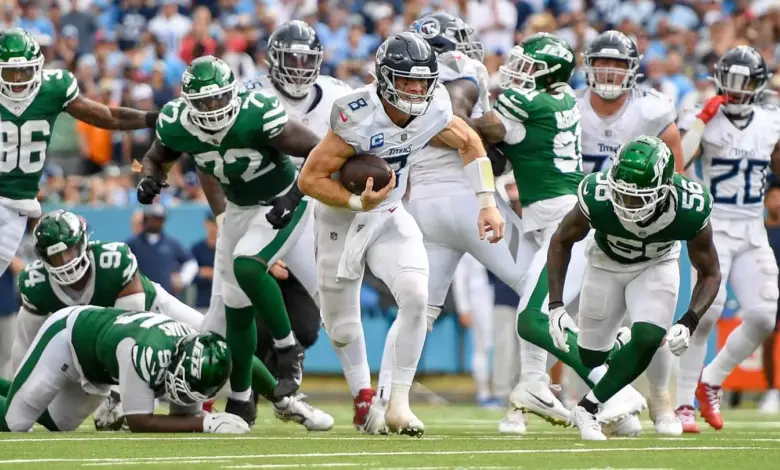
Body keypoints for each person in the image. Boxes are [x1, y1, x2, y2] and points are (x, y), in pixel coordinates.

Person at [298, 31, 505, 437]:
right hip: (340, 217)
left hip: (389, 213)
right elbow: (309, 179)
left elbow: (469, 141)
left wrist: (487, 202)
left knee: (415, 294)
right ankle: (362, 396)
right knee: (340, 327)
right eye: (406, 80)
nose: (415, 89)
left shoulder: (435, 106)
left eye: (422, 81)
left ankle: (398, 404)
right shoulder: (356, 113)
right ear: (384, 78)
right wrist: (356, 201)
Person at [136, 55, 331, 430]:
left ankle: (288, 349)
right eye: (203, 101)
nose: (212, 107)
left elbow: (319, 151)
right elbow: (157, 157)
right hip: (239, 210)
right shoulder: (177, 122)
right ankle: (241, 400)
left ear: (233, 93)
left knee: (247, 265)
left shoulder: (256, 112)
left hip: (280, 201)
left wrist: (292, 197)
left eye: (218, 98)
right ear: (188, 102)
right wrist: (150, 177)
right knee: (236, 309)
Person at [474, 32, 645, 433]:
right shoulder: (563, 96)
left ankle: (613, 387)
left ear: (548, 74)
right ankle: (535, 385)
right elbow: (513, 146)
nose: (519, 72)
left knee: (533, 319)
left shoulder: (527, 102)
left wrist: (454, 113)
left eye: (528, 67)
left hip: (563, 224)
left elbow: (488, 129)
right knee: (544, 312)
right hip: (566, 217)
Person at [547, 135, 721, 440]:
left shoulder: (689, 206)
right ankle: (622, 345)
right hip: (605, 263)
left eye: (639, 197)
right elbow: (561, 240)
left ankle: (588, 407)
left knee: (650, 336)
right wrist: (555, 306)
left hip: (657, 263)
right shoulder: (598, 194)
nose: (628, 204)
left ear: (665, 190)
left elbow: (711, 273)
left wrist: (689, 321)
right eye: (622, 194)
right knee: (591, 358)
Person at [576, 30, 684, 436]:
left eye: (618, 63)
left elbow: (675, 177)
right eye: (602, 62)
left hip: (641, 228)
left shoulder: (652, 110)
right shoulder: (569, 106)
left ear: (632, 69)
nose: (609, 71)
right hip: (584, 221)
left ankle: (660, 396)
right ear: (589, 66)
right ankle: (607, 401)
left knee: (651, 323)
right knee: (581, 329)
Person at [675, 45, 780, 432]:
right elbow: (679, 161)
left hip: (753, 228)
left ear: (758, 85)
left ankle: (711, 380)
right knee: (705, 316)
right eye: (730, 81)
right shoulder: (702, 116)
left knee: (763, 315)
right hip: (714, 226)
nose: (736, 90)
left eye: (744, 82)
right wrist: (702, 121)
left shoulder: (771, 120)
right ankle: (683, 403)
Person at [0, 28, 158, 279]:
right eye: (11, 72)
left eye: (25, 71)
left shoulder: (53, 89)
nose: (18, 80)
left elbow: (107, 116)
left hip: (17, 205)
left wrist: (151, 118)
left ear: (38, 67)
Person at [0, 305, 248, 434]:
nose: (185, 395)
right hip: (68, 338)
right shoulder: (145, 351)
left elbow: (184, 420)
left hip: (99, 366)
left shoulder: (193, 351)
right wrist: (205, 424)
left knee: (59, 424)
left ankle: (17, 393)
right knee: (15, 423)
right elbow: (140, 422)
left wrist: (201, 420)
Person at [11, 209, 204, 371]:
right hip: (92, 343)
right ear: (44, 259)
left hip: (150, 307)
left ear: (82, 243)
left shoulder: (113, 261)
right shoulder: (35, 282)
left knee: (207, 334)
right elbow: (25, 345)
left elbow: (130, 332)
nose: (65, 262)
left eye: (69, 251)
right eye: (56, 257)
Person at [125, 204, 198, 297]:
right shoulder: (132, 244)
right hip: (141, 296)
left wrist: (182, 279)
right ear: (145, 219)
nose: (155, 222)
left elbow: (191, 262)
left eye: (159, 219)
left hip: (166, 296)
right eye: (152, 219)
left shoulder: (171, 243)